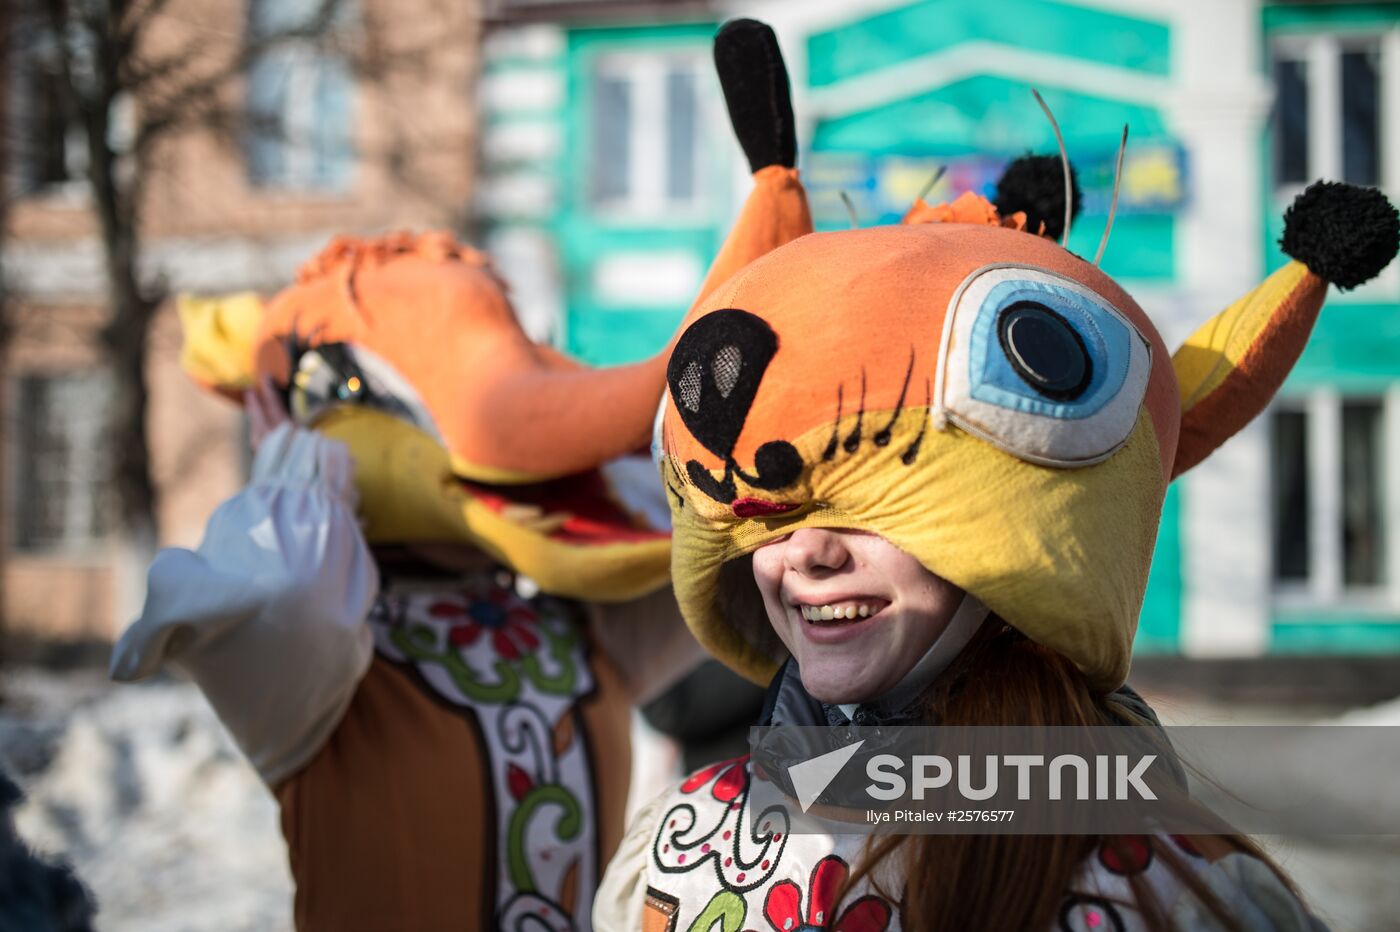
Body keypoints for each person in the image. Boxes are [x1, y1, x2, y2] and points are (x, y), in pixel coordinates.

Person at [596, 18, 1398, 931]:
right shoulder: (683, 841)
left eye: (877, 504)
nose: (805, 554)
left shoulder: (1162, 883)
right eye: (773, 517)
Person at [110, 232, 714, 930]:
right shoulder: (326, 660)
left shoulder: (580, 627)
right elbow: (284, 591)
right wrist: (295, 453)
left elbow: (718, 552)